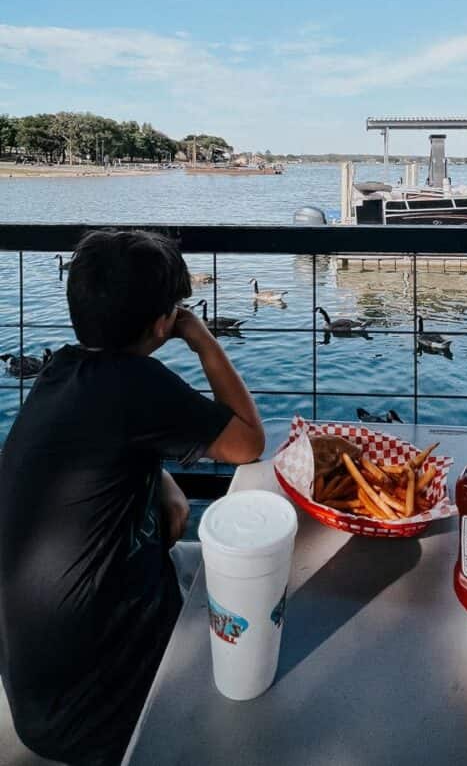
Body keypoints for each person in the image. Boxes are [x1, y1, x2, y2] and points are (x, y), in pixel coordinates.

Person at [0, 229, 265, 764]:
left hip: (36, 694)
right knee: (255, 612)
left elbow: (110, 450)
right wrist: (201, 338)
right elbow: (248, 441)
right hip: (97, 713)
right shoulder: (137, 383)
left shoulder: (60, 371)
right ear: (163, 320)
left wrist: (158, 479)